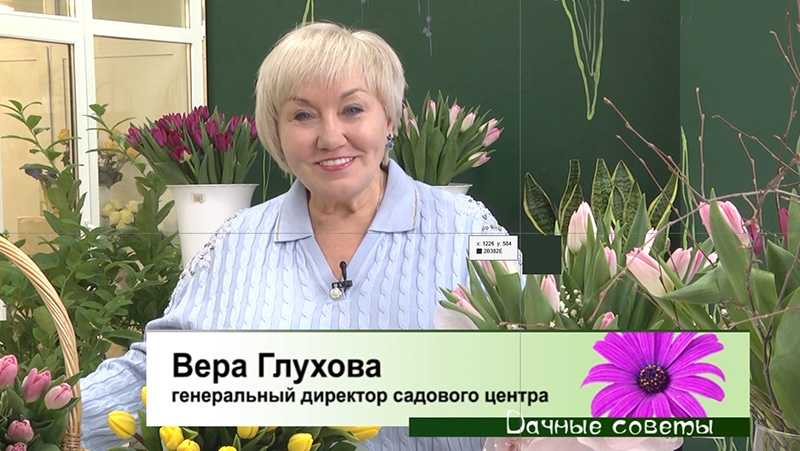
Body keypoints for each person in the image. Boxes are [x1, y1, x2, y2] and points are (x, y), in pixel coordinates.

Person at [80, 22, 511, 451]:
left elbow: (529, 369)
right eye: (303, 115)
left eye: (353, 109)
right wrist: (53, 411)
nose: (331, 137)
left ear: (390, 119)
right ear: (278, 133)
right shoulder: (234, 242)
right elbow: (162, 373)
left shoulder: (473, 229)